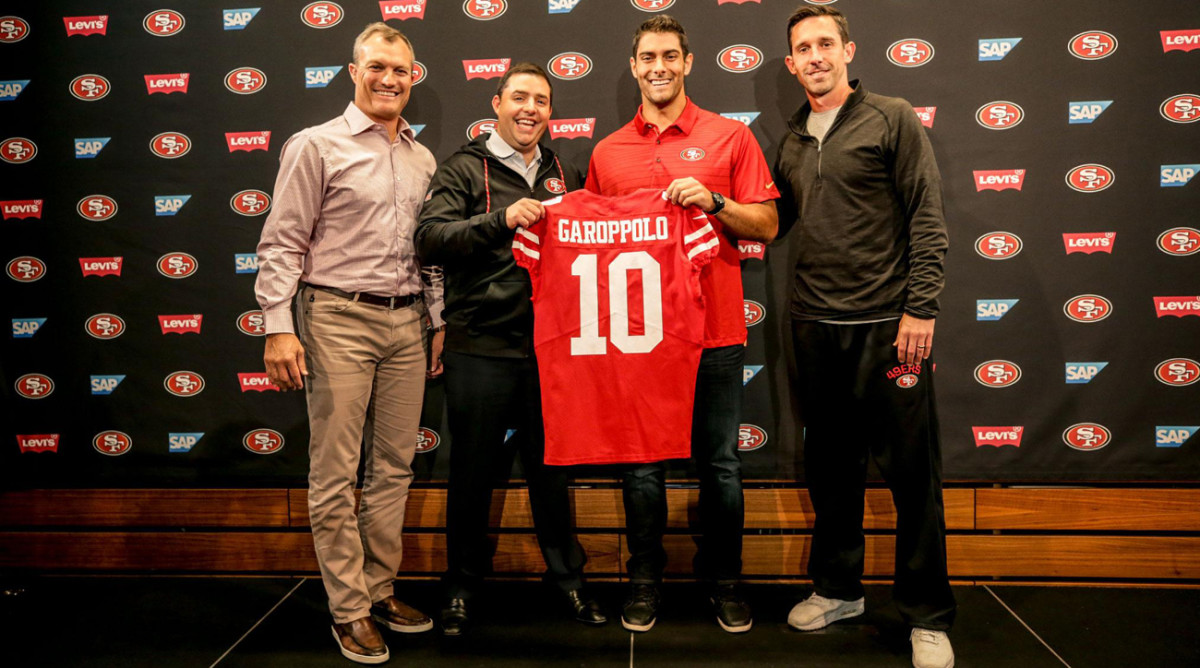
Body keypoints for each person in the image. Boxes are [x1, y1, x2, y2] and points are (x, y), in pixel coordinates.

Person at [772, 6, 955, 668]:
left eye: (825, 43)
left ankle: (927, 615)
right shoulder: (792, 137)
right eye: (803, 48)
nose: (815, 56)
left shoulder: (891, 117)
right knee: (832, 472)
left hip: (888, 331)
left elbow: (927, 218)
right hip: (814, 328)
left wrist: (921, 309)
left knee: (912, 478)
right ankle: (839, 588)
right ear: (791, 64)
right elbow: (773, 224)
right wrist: (708, 206)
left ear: (847, 50)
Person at [255, 22, 443, 665]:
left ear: (413, 77)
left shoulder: (423, 158)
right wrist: (277, 325)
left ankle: (379, 588)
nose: (390, 79)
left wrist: (437, 319)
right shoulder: (316, 146)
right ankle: (349, 609)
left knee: (392, 468)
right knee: (335, 473)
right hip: (336, 316)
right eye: (378, 67)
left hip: (407, 323)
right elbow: (281, 243)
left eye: (401, 70)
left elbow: (430, 252)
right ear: (353, 70)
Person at [585, 15, 779, 634]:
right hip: (637, 339)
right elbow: (588, 244)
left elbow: (768, 226)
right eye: (648, 57)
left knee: (719, 464)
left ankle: (724, 581)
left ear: (689, 62)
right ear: (635, 65)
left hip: (715, 333)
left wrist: (715, 202)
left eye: (670, 54)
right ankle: (645, 580)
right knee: (641, 465)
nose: (659, 66)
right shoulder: (608, 151)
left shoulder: (730, 139)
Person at [415, 63, 605, 635]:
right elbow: (429, 237)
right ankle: (461, 588)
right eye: (519, 97)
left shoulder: (562, 169)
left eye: (541, 101)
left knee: (554, 474)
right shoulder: (462, 167)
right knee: (471, 474)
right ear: (497, 102)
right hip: (481, 346)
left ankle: (569, 581)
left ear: (551, 111)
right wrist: (500, 220)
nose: (530, 109)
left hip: (552, 350)